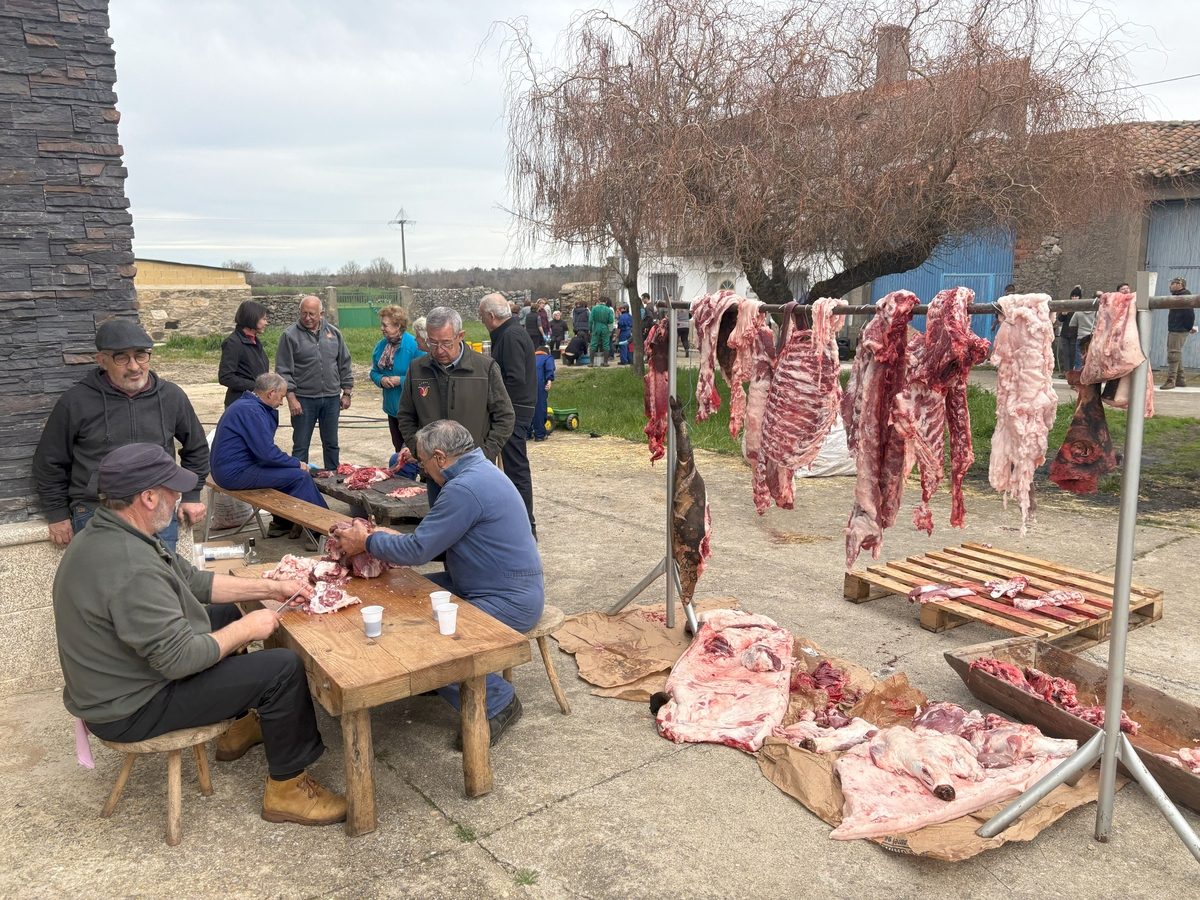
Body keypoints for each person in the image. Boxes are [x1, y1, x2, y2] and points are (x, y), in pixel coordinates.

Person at [54, 443, 346, 826]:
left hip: (123, 681)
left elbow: (193, 581)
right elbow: (180, 661)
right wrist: (248, 628)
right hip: (131, 708)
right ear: (147, 497)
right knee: (282, 668)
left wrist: (267, 588)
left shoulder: (117, 531)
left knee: (224, 613)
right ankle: (288, 790)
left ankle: (238, 730)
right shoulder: (131, 567)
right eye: (172, 490)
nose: (179, 499)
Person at [330, 421, 542, 747]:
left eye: (425, 463)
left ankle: (499, 700)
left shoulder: (465, 489)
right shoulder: (479, 471)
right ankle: (444, 679)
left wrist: (368, 544)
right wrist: (382, 539)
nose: (424, 471)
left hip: (508, 598)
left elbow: (419, 550)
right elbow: (435, 543)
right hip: (482, 582)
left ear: (441, 457)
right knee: (401, 598)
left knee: (423, 637)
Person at [33, 319, 209, 552]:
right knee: (105, 582)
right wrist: (57, 513)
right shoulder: (75, 402)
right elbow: (49, 461)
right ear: (102, 361)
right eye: (122, 357)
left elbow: (196, 447)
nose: (134, 366)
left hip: (157, 506)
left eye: (140, 355)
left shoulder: (172, 396)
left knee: (162, 580)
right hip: (97, 510)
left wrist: (191, 494)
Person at [394, 307, 514, 510]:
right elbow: (405, 415)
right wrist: (418, 450)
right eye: (433, 343)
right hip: (434, 474)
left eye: (446, 343)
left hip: (475, 474)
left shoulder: (485, 368)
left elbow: (505, 417)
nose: (439, 350)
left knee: (474, 532)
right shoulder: (417, 369)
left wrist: (485, 454)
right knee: (441, 532)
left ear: (461, 336)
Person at [210, 373, 329, 539]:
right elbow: (267, 453)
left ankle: (282, 523)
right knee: (300, 477)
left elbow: (264, 451)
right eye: (281, 397)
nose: (281, 403)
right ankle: (325, 530)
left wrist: (288, 463)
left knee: (285, 474)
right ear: (270, 392)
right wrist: (296, 463)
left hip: (232, 467)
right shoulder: (251, 411)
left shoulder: (247, 404)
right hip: (234, 472)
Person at [479, 293, 537, 533]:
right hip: (514, 408)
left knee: (515, 467)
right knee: (508, 467)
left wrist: (496, 405)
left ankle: (525, 526)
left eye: (482, 317)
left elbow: (513, 378)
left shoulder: (511, 336)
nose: (482, 322)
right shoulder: (508, 333)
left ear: (491, 316)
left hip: (515, 410)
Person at [275, 295, 353, 471]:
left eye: (311, 314)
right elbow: (283, 371)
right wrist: (291, 398)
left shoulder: (334, 334)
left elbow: (344, 364)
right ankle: (299, 480)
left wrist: (346, 393)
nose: (307, 318)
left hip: (332, 398)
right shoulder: (289, 336)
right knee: (301, 444)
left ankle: (333, 478)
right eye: (304, 314)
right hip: (303, 400)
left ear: (321, 313)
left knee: (332, 443)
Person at [370, 306, 423, 453]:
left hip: (411, 411)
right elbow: (374, 372)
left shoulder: (415, 345)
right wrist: (381, 379)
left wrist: (401, 380)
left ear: (398, 326)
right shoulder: (381, 346)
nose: (382, 328)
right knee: (398, 450)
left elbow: (423, 379)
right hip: (392, 410)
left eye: (385, 325)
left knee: (414, 451)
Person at [218, 300, 270, 409]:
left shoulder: (255, 341)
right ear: (253, 318)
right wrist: (257, 386)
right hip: (240, 404)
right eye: (264, 319)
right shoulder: (233, 343)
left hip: (255, 401)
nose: (266, 323)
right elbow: (225, 377)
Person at [1163, 277, 1195, 390]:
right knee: (1176, 353)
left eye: (1172, 283)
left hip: (1179, 329)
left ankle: (1171, 379)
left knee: (1173, 353)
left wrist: (1188, 327)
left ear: (1180, 284)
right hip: (1175, 328)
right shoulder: (1177, 296)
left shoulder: (1184, 297)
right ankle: (1180, 379)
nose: (1170, 286)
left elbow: (1189, 314)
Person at [532, 338, 556, 441]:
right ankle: (540, 434)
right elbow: (549, 367)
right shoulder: (548, 358)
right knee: (539, 408)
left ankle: (527, 433)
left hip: (526, 384)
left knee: (528, 407)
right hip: (539, 384)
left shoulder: (530, 358)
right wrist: (549, 380)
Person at [1059, 285, 1082, 373]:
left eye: (1076, 296)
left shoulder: (1080, 307)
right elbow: (1060, 319)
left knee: (1073, 354)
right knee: (1065, 353)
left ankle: (1071, 371)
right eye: (1072, 296)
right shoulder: (1067, 305)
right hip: (1065, 333)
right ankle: (1066, 371)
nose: (1074, 298)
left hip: (1074, 334)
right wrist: (1063, 314)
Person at [1073, 290, 1099, 362]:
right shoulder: (1099, 313)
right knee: (1094, 360)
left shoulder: (1078, 312)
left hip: (1081, 336)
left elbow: (1072, 324)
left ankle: (1079, 372)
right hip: (1094, 337)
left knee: (1080, 360)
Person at [588, 297, 615, 366]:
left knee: (593, 344)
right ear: (605, 302)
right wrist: (610, 329)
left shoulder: (594, 308)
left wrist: (590, 329)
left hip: (596, 327)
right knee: (606, 344)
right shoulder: (608, 310)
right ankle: (605, 362)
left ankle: (591, 363)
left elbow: (590, 321)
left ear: (599, 301)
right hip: (605, 327)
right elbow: (611, 321)